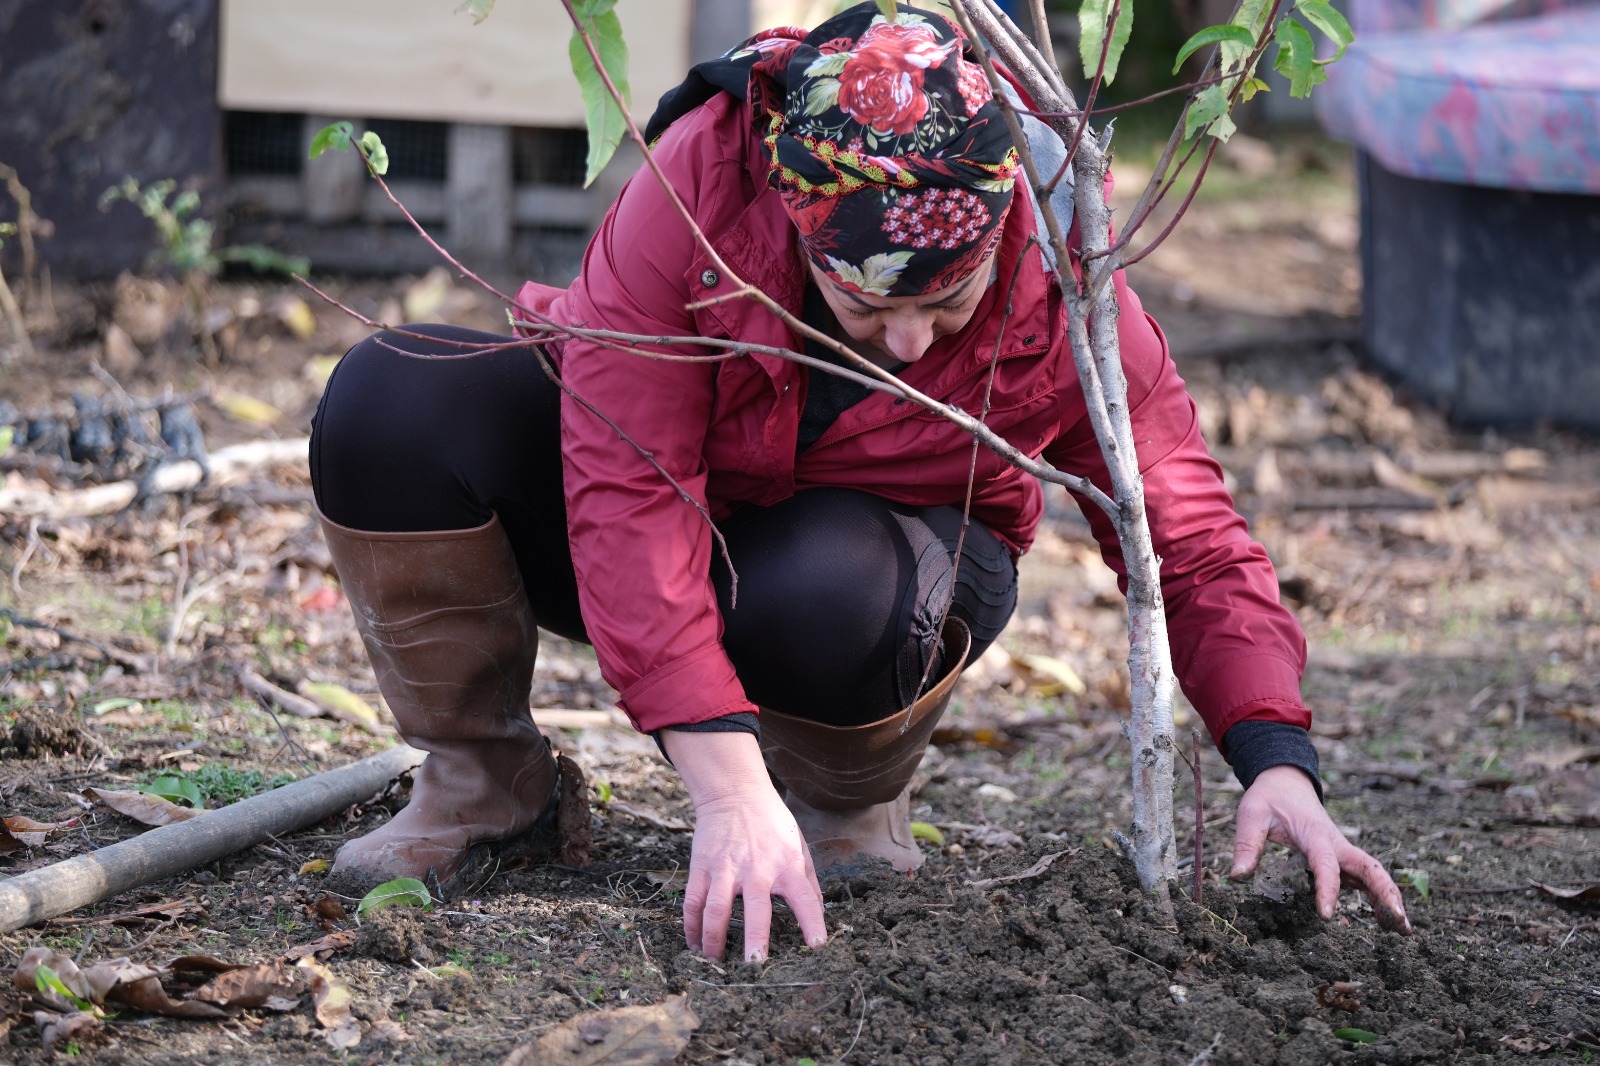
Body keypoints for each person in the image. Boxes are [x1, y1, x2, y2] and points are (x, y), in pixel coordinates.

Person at [308, 2, 1410, 963]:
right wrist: (723, 789)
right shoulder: (700, 193)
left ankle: (844, 804)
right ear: (800, 228)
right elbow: (626, 490)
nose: (914, 339)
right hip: (674, 526)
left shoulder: (1062, 282)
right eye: (869, 305)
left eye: (947, 298)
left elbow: (1186, 525)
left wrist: (1276, 758)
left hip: (875, 575)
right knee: (393, 398)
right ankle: (487, 784)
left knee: (828, 582)